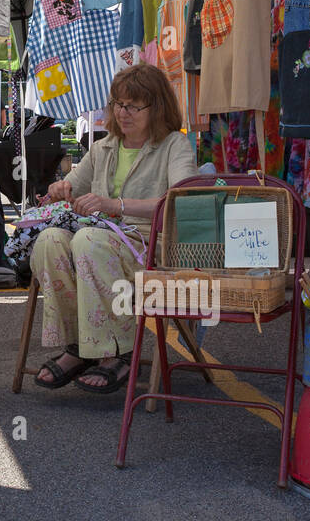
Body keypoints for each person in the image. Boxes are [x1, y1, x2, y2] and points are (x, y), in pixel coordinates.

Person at [31, 64, 196, 394]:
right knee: (50, 239)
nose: (123, 112)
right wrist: (59, 190)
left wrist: (115, 206)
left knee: (90, 240)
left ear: (157, 107)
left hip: (148, 245)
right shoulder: (104, 147)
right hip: (100, 239)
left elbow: (181, 204)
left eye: (134, 105)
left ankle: (117, 351)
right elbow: (72, 187)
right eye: (118, 103)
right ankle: (81, 346)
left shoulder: (174, 146)